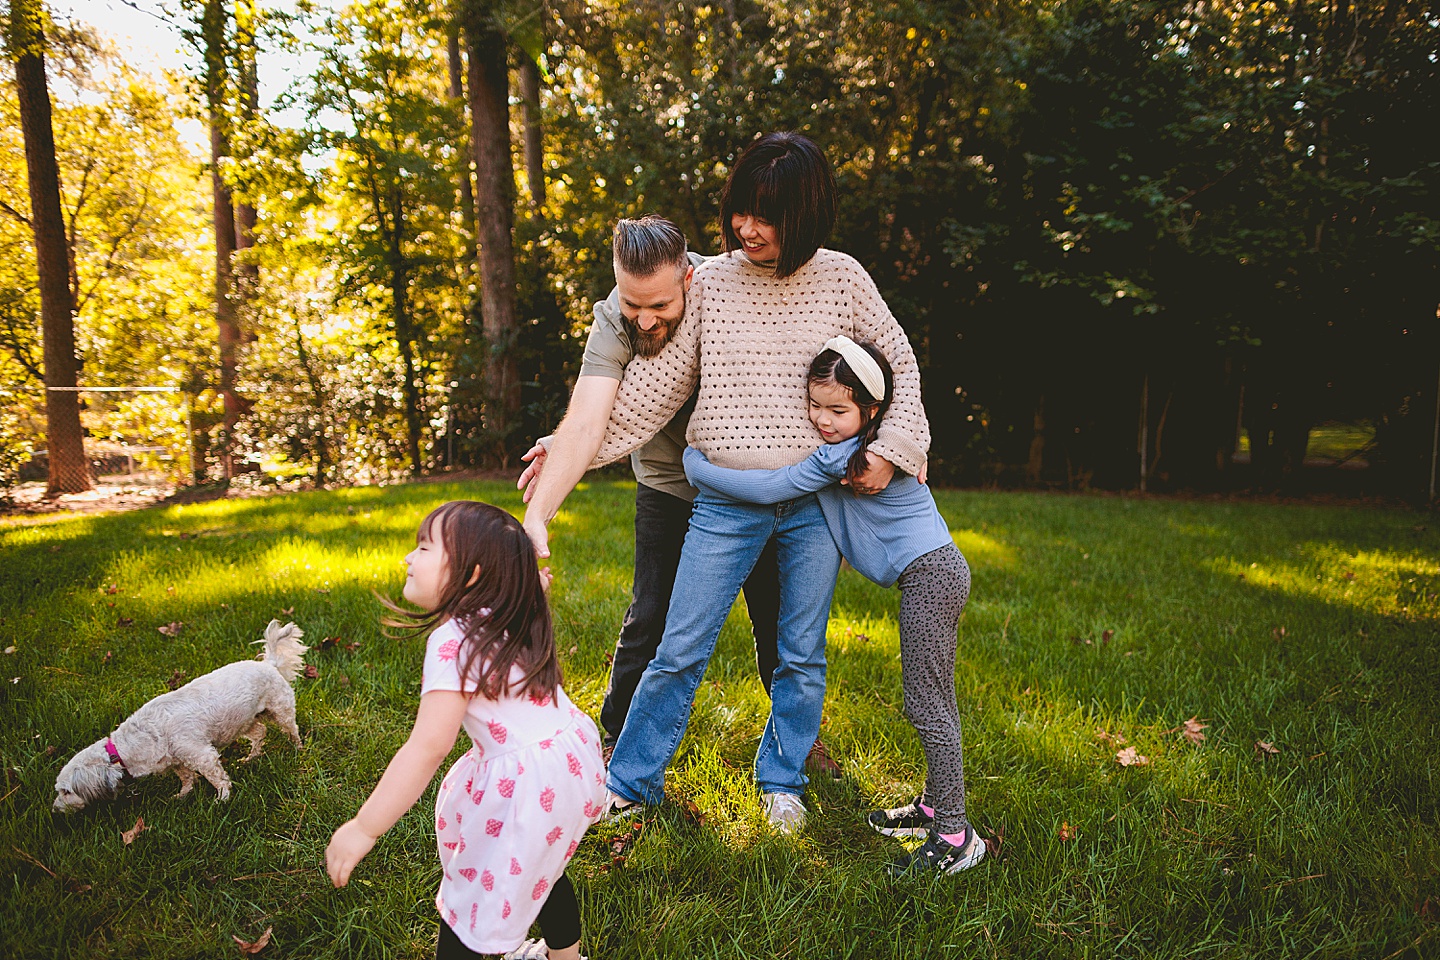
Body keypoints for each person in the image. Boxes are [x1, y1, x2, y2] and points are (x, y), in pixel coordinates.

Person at [586, 132, 932, 833]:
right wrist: (574, 443)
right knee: (680, 647)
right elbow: (656, 385)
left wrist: (892, 449)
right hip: (724, 503)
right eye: (740, 209)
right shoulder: (710, 279)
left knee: (800, 653)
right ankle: (630, 779)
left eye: (766, 216)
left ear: (804, 216)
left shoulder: (843, 278)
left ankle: (783, 780)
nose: (747, 227)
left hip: (812, 506)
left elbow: (899, 363)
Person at [517, 217, 840, 777]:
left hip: (756, 490)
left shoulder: (728, 291)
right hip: (669, 485)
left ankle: (798, 740)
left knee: (778, 619)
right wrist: (538, 513)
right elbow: (589, 419)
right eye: (631, 302)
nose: (644, 319)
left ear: (689, 278)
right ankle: (617, 738)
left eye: (659, 306)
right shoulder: (612, 323)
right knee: (651, 618)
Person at [683, 336, 983, 875]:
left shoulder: (852, 455)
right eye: (815, 405)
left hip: (931, 573)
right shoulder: (847, 443)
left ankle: (956, 835)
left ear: (871, 412)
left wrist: (694, 463)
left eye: (838, 410)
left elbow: (771, 485)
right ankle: (935, 807)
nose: (823, 420)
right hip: (925, 574)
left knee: (927, 701)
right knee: (928, 695)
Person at [325, 501, 606, 960]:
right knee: (545, 867)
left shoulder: (453, 640)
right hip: (570, 763)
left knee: (471, 899)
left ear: (471, 575)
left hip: (526, 787)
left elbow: (428, 748)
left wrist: (364, 827)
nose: (408, 558)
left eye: (422, 547)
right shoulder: (515, 615)